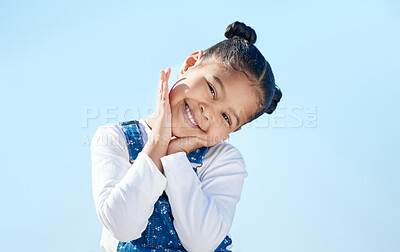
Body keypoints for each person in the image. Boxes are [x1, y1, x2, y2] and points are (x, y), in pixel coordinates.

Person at [91, 21, 282, 252]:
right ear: (191, 64)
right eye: (212, 89)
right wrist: (158, 144)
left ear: (230, 132)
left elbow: (201, 243)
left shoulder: (224, 160)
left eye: (226, 117)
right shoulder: (115, 138)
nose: (208, 113)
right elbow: (121, 226)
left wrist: (176, 158)